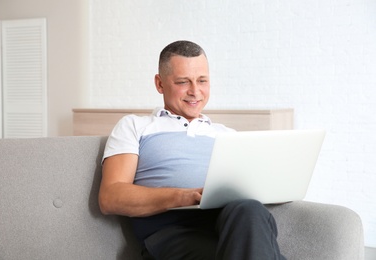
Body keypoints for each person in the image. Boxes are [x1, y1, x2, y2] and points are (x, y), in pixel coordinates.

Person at [99, 40, 286, 260]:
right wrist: (185, 196)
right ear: (160, 84)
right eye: (183, 82)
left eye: (202, 81)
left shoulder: (228, 135)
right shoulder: (135, 126)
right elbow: (111, 196)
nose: (195, 91)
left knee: (250, 211)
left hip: (231, 225)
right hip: (173, 234)